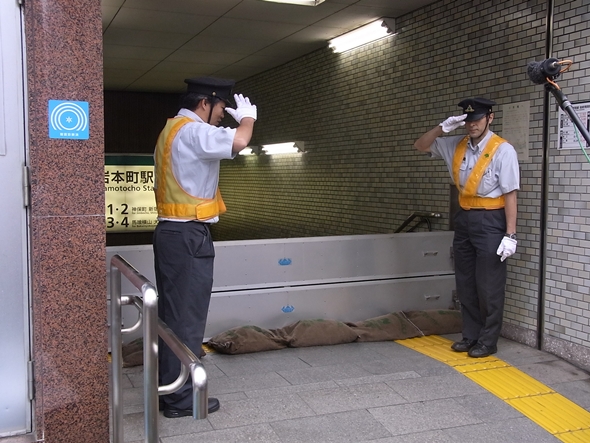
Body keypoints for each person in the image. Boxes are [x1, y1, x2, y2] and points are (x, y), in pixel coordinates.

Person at [153, 77, 256, 417]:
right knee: (187, 319)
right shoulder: (194, 131)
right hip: (187, 238)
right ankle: (179, 399)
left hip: (172, 233)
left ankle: (169, 389)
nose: (223, 116)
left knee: (173, 317)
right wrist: (248, 117)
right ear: (204, 103)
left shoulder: (172, 129)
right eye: (221, 108)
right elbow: (239, 142)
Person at [413, 98, 519, 358]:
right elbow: (420, 145)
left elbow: (510, 195)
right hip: (464, 218)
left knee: (489, 284)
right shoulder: (456, 144)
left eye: (478, 120)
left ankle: (488, 339)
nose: (472, 125)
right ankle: (470, 335)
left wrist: (510, 234)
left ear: (490, 118)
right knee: (465, 282)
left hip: (491, 220)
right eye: (468, 121)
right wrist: (441, 127)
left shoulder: (502, 150)